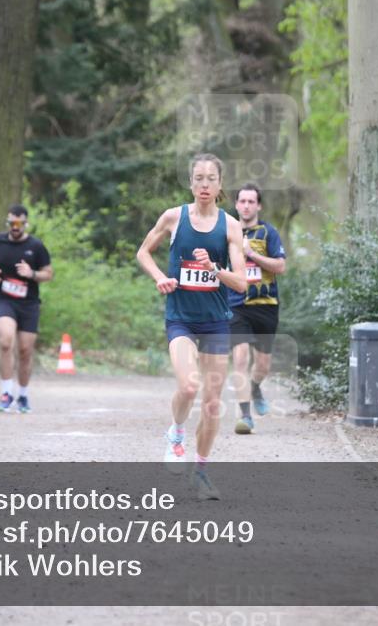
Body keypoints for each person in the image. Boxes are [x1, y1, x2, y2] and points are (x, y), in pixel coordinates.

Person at [136, 153, 247, 500]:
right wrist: (160, 277)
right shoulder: (173, 217)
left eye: (211, 178)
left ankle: (200, 473)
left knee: (213, 404)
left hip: (215, 322)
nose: (204, 184)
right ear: (190, 183)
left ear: (219, 184)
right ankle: (176, 434)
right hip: (181, 318)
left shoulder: (230, 225)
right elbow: (143, 252)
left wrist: (215, 269)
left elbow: (242, 283)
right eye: (198, 178)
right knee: (188, 387)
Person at [228, 183, 286, 434]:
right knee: (240, 358)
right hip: (237, 305)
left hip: (266, 305)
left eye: (251, 201)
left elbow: (280, 266)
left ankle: (255, 386)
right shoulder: (227, 233)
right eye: (242, 201)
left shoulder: (268, 233)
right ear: (236, 205)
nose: (246, 206)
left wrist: (252, 254)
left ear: (259, 206)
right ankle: (245, 416)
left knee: (262, 366)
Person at [0, 205, 53, 413]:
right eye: (11, 223)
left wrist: (31, 273)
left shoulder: (36, 246)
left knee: (25, 350)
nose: (15, 227)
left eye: (19, 224)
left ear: (25, 224)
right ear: (8, 223)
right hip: (3, 299)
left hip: (28, 304)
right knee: (5, 341)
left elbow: (48, 274)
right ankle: (6, 393)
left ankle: (22, 395)